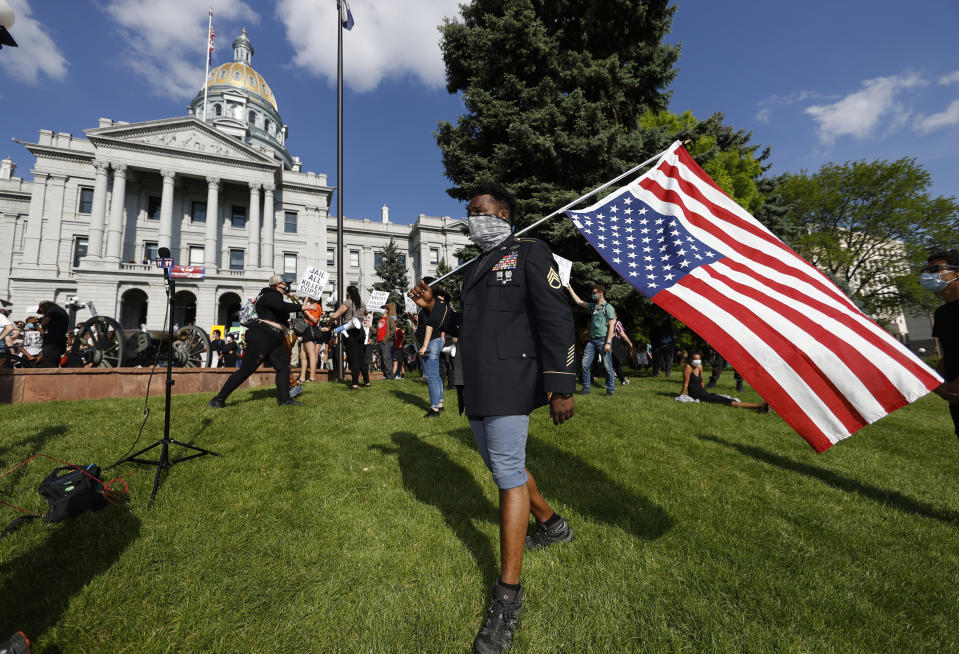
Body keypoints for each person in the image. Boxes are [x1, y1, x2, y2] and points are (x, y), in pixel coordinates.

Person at [409, 183, 576, 654]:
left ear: (502, 214)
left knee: (505, 473)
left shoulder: (531, 251)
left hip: (509, 380)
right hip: (475, 382)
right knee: (504, 465)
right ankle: (554, 524)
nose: (472, 218)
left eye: (479, 210)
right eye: (469, 212)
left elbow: (557, 318)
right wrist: (435, 310)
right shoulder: (477, 266)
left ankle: (508, 596)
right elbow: (470, 325)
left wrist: (561, 384)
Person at [209, 275, 317, 407]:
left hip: (274, 338)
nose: (287, 285)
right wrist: (302, 307)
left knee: (283, 367)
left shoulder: (276, 297)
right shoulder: (270, 295)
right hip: (262, 337)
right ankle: (218, 400)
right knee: (246, 370)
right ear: (278, 284)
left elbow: (280, 312)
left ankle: (285, 400)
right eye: (284, 283)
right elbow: (281, 307)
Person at [921, 250, 959, 437]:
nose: (928, 274)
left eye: (936, 269)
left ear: (957, 273)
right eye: (927, 270)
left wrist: (954, 387)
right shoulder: (942, 314)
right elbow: (948, 354)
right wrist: (940, 385)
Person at [566, 283, 616, 396]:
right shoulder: (593, 306)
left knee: (608, 367)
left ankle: (610, 390)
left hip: (603, 340)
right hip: (592, 341)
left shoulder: (608, 308)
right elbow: (579, 302)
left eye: (594, 293)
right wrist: (570, 288)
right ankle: (586, 389)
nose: (593, 295)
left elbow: (612, 326)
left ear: (601, 293)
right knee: (584, 364)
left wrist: (608, 342)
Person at [680, 351, 769, 412]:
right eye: (695, 359)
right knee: (726, 401)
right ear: (690, 359)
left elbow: (702, 381)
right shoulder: (688, 368)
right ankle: (758, 406)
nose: (697, 361)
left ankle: (759, 406)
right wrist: (682, 396)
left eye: (699, 359)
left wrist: (704, 391)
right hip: (696, 395)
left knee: (723, 399)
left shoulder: (700, 367)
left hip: (704, 393)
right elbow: (686, 383)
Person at [416, 281, 447, 417]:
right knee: (436, 375)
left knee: (431, 376)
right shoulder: (437, 304)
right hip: (437, 340)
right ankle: (439, 404)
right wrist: (442, 336)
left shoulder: (430, 305)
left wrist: (424, 345)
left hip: (431, 343)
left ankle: (434, 409)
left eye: (421, 288)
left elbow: (430, 325)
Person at [329, 285, 368, 388]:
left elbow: (336, 315)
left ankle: (355, 383)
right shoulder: (362, 303)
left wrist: (329, 322)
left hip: (351, 331)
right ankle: (367, 382)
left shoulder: (348, 302)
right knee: (361, 357)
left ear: (348, 293)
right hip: (361, 332)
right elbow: (366, 312)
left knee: (353, 358)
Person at [35, 301, 69, 368]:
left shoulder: (52, 310)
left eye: (42, 311)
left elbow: (44, 323)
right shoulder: (61, 311)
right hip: (60, 340)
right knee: (53, 362)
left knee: (48, 365)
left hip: (52, 341)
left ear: (44, 307)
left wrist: (42, 325)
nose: (42, 314)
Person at [610, 318, 633, 386]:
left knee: (615, 364)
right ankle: (611, 381)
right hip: (615, 344)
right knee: (616, 363)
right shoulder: (617, 323)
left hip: (607, 343)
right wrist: (629, 342)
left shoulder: (605, 322)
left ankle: (622, 380)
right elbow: (622, 334)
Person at [375, 303, 396, 379]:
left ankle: (390, 376)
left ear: (386, 310)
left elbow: (393, 330)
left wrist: (386, 338)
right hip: (379, 342)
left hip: (386, 342)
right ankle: (385, 375)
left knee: (386, 359)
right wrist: (369, 327)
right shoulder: (379, 320)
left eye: (383, 308)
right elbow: (377, 332)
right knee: (382, 359)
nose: (381, 310)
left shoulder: (390, 319)